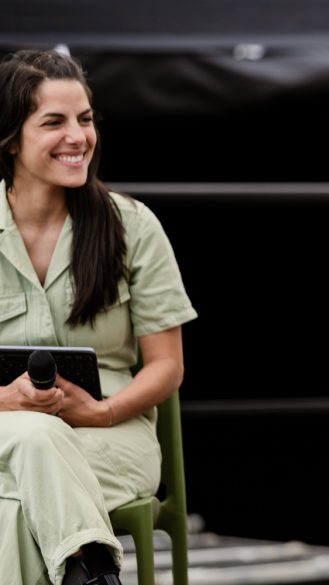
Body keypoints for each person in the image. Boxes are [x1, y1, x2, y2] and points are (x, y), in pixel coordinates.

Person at [0, 49, 197, 585]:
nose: (77, 137)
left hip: (111, 437)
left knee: (16, 502)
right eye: (54, 122)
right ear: (12, 138)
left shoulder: (133, 227)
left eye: (84, 119)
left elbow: (167, 366)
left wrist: (102, 411)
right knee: (32, 449)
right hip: (8, 430)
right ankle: (93, 573)